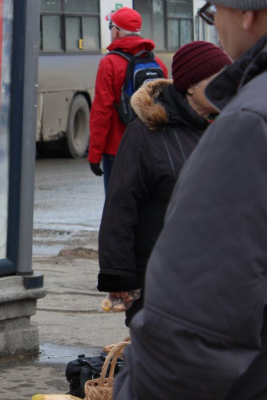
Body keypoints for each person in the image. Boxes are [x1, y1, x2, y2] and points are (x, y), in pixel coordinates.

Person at [113, 1, 267, 399]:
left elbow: (192, 335)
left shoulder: (246, 123)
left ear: (247, 13)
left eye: (216, 11)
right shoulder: (147, 135)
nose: (216, 25)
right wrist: (121, 282)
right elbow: (120, 209)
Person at [97, 41, 232, 327]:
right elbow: (120, 207)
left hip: (213, 277)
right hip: (158, 280)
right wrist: (119, 276)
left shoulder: (226, 129)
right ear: (190, 86)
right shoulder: (144, 135)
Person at [87, 7, 168, 192]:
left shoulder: (109, 63)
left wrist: (94, 154)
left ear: (115, 30)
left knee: (117, 209)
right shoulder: (158, 64)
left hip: (118, 149)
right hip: (150, 147)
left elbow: (102, 111)